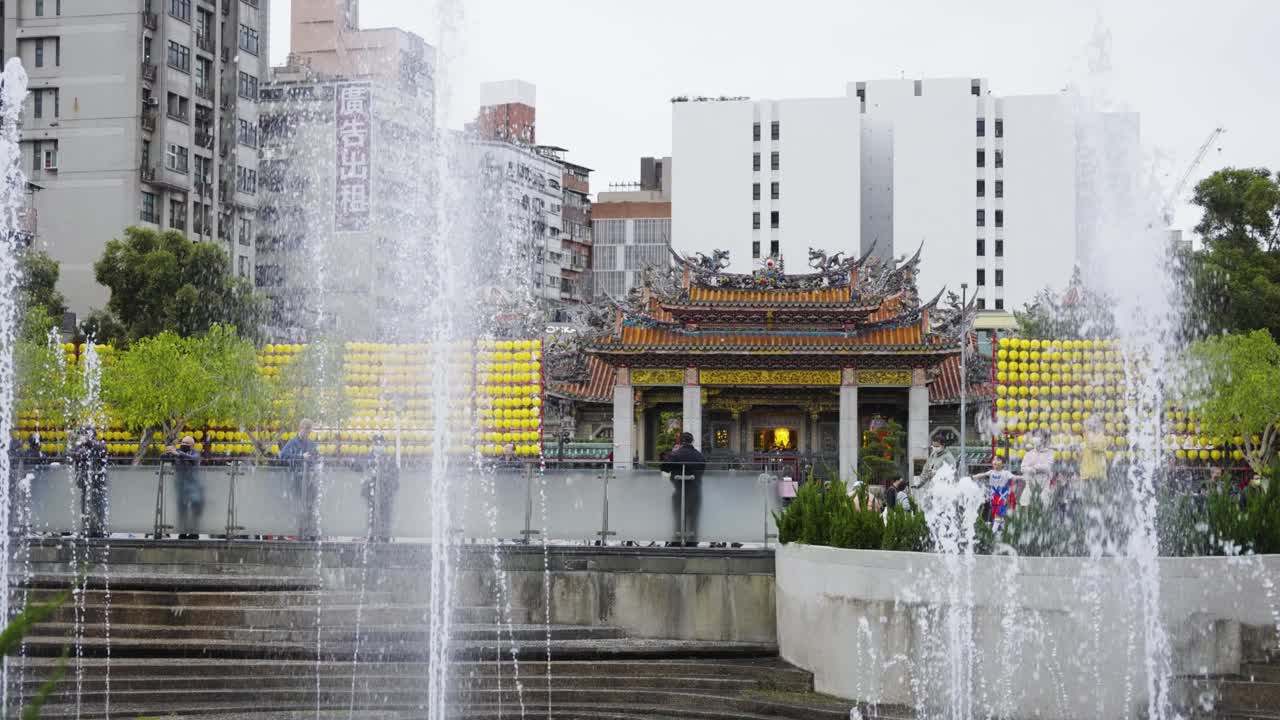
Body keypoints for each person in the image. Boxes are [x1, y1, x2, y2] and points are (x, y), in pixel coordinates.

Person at [659, 432, 705, 547]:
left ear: (680, 442)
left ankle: (677, 541)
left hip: (679, 490)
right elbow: (702, 471)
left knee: (679, 516)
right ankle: (692, 542)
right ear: (692, 441)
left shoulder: (675, 454)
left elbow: (664, 467)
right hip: (696, 491)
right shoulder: (699, 456)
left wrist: (675, 467)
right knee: (694, 518)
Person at [280, 419, 319, 540]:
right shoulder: (292, 442)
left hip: (309, 480)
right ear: (300, 428)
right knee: (297, 505)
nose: (307, 433)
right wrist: (300, 457)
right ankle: (297, 532)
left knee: (310, 506)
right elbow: (283, 456)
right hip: (296, 480)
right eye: (305, 430)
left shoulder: (312, 444)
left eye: (309, 430)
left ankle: (308, 532)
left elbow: (316, 459)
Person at [70, 428, 109, 539]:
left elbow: (103, 450)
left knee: (99, 507)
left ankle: (100, 529)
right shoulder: (81, 447)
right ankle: (86, 529)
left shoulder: (99, 445)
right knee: (84, 507)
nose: (83, 437)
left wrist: (88, 443)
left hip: (97, 485)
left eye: (86, 435)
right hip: (85, 484)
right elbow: (71, 454)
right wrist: (77, 454)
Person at [360, 434, 399, 542]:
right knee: (372, 513)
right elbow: (360, 467)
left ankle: (385, 535)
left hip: (386, 491)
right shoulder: (368, 457)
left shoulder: (389, 458)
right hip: (371, 491)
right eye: (376, 442)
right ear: (373, 443)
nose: (378, 445)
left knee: (386, 513)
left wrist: (392, 487)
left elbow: (395, 474)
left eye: (380, 442)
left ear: (384, 444)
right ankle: (371, 534)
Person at [164, 436, 204, 539]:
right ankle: (182, 531)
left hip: (193, 485)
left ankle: (194, 532)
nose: (184, 445)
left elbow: (192, 459)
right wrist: (168, 451)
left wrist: (178, 453)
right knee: (182, 509)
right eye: (183, 442)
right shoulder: (177, 452)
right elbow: (163, 458)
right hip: (180, 484)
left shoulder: (196, 453)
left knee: (195, 507)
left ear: (192, 445)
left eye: (187, 443)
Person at [973, 456, 1020, 526]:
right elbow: (983, 474)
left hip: (1002, 497)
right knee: (999, 515)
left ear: (1002, 463)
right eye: (994, 460)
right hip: (993, 496)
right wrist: (974, 476)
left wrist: (1023, 477)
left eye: (998, 460)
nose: (995, 461)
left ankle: (994, 531)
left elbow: (1014, 477)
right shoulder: (991, 472)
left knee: (998, 515)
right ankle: (1002, 529)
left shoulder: (1006, 473)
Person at [1019, 429, 1056, 508]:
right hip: (1029, 486)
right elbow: (1022, 468)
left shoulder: (1050, 453)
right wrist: (1033, 469)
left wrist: (1033, 467)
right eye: (1035, 436)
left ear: (1045, 439)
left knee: (1043, 509)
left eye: (1039, 436)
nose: (1036, 438)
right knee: (1026, 507)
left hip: (1044, 487)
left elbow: (1047, 467)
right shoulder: (1029, 454)